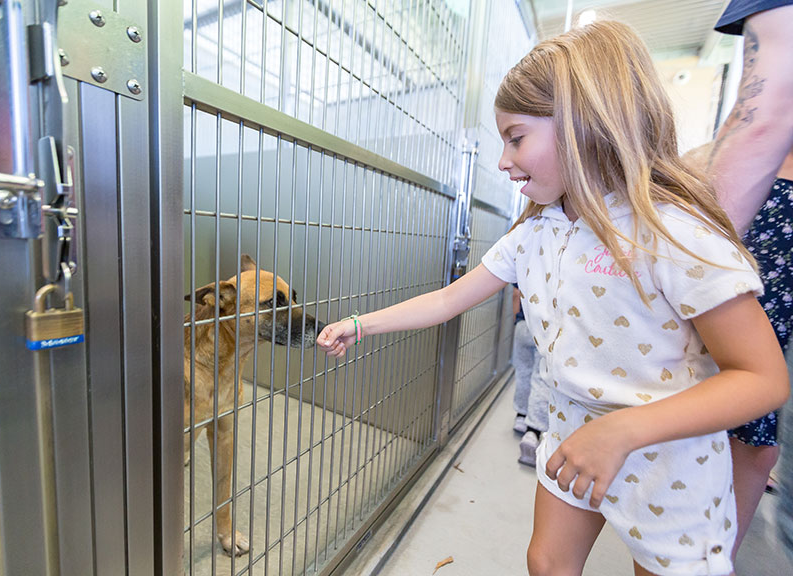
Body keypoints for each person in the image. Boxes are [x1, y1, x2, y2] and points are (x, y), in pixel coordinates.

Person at [318, 21, 789, 576]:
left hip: (669, 457)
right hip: (570, 429)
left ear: (586, 126)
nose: (502, 160)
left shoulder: (674, 233)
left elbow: (763, 379)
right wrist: (360, 322)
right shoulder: (535, 232)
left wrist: (623, 430)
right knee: (546, 562)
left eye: (516, 137)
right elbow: (448, 300)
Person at [710, 1, 793, 563]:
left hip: (780, 206)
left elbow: (766, 112)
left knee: (740, 410)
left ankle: (706, 561)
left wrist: (692, 261)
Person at [511, 286, 549, 466]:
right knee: (540, 377)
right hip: (546, 328)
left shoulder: (528, 264)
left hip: (523, 324)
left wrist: (515, 320)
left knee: (522, 370)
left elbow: (516, 294)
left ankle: (520, 415)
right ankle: (533, 431)